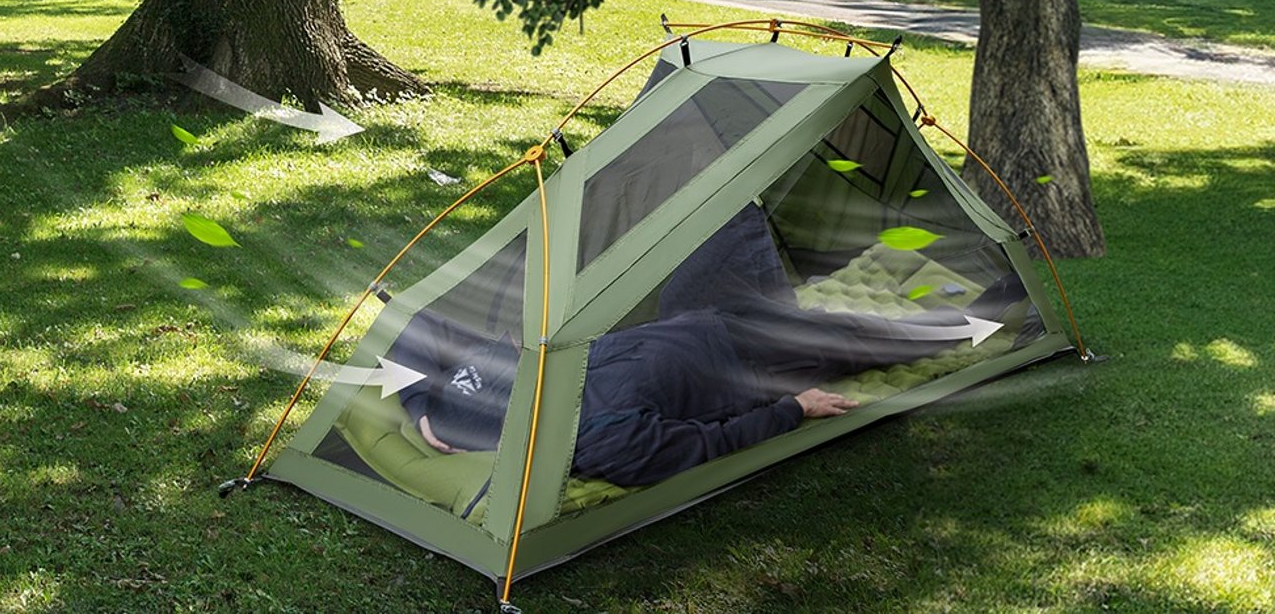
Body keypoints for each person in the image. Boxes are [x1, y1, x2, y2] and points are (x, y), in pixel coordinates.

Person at [388, 204, 1026, 487]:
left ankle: (798, 271)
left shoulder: (461, 397)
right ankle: (977, 321)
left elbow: (414, 325)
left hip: (692, 317)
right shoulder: (595, 438)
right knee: (858, 341)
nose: (502, 346)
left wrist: (416, 402)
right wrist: (792, 410)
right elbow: (701, 448)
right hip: (752, 364)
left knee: (723, 211)